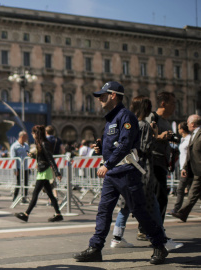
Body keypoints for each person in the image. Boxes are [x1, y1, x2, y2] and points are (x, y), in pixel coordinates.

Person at [73, 81, 168, 265]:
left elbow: (125, 145)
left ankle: (159, 245)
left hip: (126, 172)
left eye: (103, 95)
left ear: (113, 95)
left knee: (139, 210)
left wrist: (107, 164)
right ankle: (95, 248)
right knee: (103, 211)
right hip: (113, 174)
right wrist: (102, 148)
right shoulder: (111, 119)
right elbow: (116, 144)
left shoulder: (126, 117)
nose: (100, 99)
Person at [110, 96, 183, 251]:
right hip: (143, 169)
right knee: (153, 204)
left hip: (127, 169)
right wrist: (157, 136)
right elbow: (144, 148)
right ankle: (161, 238)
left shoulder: (128, 124)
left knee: (126, 204)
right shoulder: (144, 125)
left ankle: (116, 237)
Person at [143, 92, 176, 239]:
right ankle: (155, 230)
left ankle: (150, 229)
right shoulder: (152, 117)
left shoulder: (167, 122)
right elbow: (145, 137)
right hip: (153, 162)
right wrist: (159, 137)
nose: (175, 106)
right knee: (159, 197)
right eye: (173, 103)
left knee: (158, 197)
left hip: (162, 162)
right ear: (163, 103)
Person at [15, 125, 63, 222]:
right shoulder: (41, 143)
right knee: (50, 194)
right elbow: (43, 157)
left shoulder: (44, 143)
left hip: (44, 171)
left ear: (37, 134)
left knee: (35, 193)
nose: (32, 134)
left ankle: (26, 214)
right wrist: (33, 156)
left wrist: (57, 172)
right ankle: (58, 214)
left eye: (33, 132)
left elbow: (50, 158)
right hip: (43, 170)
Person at [172, 115, 201, 222]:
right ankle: (183, 212)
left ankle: (182, 213)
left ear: (193, 124)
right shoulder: (193, 135)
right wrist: (185, 167)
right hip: (194, 169)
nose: (187, 124)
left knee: (193, 192)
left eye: (188, 122)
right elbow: (189, 154)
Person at [170, 122, 192, 214]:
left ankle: (176, 209)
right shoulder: (183, 139)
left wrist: (185, 167)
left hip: (187, 167)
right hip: (182, 167)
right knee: (198, 190)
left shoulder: (189, 139)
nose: (178, 130)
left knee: (180, 189)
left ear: (182, 130)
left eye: (179, 129)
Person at [10, 131, 30, 203]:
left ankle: (24, 197)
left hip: (25, 167)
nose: (27, 138)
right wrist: (15, 169)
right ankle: (15, 197)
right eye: (26, 137)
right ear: (22, 137)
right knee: (18, 183)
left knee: (26, 183)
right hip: (18, 167)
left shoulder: (26, 146)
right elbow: (13, 159)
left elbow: (28, 154)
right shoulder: (14, 146)